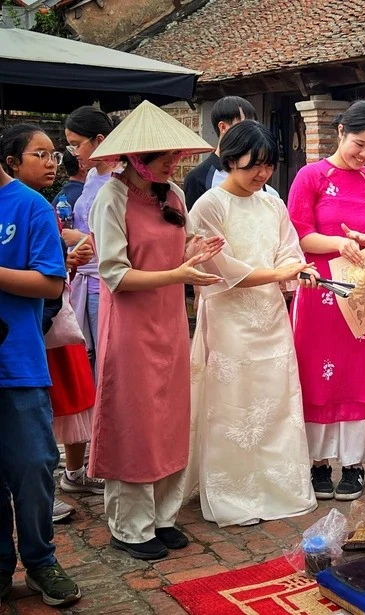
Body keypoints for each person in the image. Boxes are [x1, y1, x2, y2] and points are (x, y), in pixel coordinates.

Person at [87, 101, 223, 560]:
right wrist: (180, 273)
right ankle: (129, 524)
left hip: (167, 322)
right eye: (165, 155)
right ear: (138, 156)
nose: (174, 162)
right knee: (135, 420)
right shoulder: (112, 197)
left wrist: (195, 247)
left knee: (169, 418)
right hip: (129, 327)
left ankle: (161, 516)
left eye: (176, 155)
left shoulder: (172, 196)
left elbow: (173, 247)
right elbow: (116, 274)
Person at [186, 120, 318, 526]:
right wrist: (279, 274)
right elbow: (219, 266)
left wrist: (292, 270)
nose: (261, 174)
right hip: (228, 315)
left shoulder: (272, 203)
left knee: (276, 401)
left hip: (271, 315)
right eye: (251, 166)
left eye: (267, 165)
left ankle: (278, 485)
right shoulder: (209, 205)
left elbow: (288, 249)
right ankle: (234, 492)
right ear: (229, 161)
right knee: (233, 404)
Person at [288, 100, 365, 502]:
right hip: (320, 292)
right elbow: (299, 233)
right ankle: (318, 463)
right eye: (358, 143)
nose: (364, 155)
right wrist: (339, 242)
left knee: (362, 375)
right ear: (340, 132)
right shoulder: (311, 176)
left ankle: (353, 465)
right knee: (318, 375)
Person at [1, 124, 101, 525]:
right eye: (39, 155)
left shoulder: (34, 206)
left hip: (32, 339)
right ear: (13, 161)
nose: (51, 163)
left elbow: (49, 282)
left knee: (36, 454)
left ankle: (41, 552)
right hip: (40, 328)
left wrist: (66, 266)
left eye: (54, 154)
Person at [0, 137, 82, 607]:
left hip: (18, 361)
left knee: (34, 465)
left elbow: (50, 281)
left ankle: (40, 560)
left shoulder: (28, 206)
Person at [64, 106, 122, 374]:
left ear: (99, 140)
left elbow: (121, 233)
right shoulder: (90, 177)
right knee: (87, 354)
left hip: (103, 278)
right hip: (82, 275)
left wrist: (79, 237)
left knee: (107, 355)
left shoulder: (119, 178)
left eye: (77, 145)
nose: (74, 153)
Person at [184, 95, 279, 208]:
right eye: (243, 126)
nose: (262, 173)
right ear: (223, 127)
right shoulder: (199, 178)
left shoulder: (272, 198)